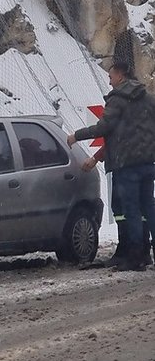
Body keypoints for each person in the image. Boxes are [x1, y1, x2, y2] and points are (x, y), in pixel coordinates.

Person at [68, 62, 155, 271]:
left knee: (131, 210)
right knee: (149, 208)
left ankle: (134, 256)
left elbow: (104, 127)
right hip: (147, 163)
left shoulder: (118, 99)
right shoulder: (147, 98)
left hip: (126, 164)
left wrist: (76, 136)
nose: (109, 80)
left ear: (120, 75)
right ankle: (146, 253)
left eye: (111, 76)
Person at [83, 146, 152, 267]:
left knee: (124, 209)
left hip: (124, 164)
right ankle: (140, 251)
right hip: (141, 162)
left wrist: (96, 157)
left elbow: (115, 136)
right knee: (142, 208)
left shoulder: (124, 130)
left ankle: (130, 251)